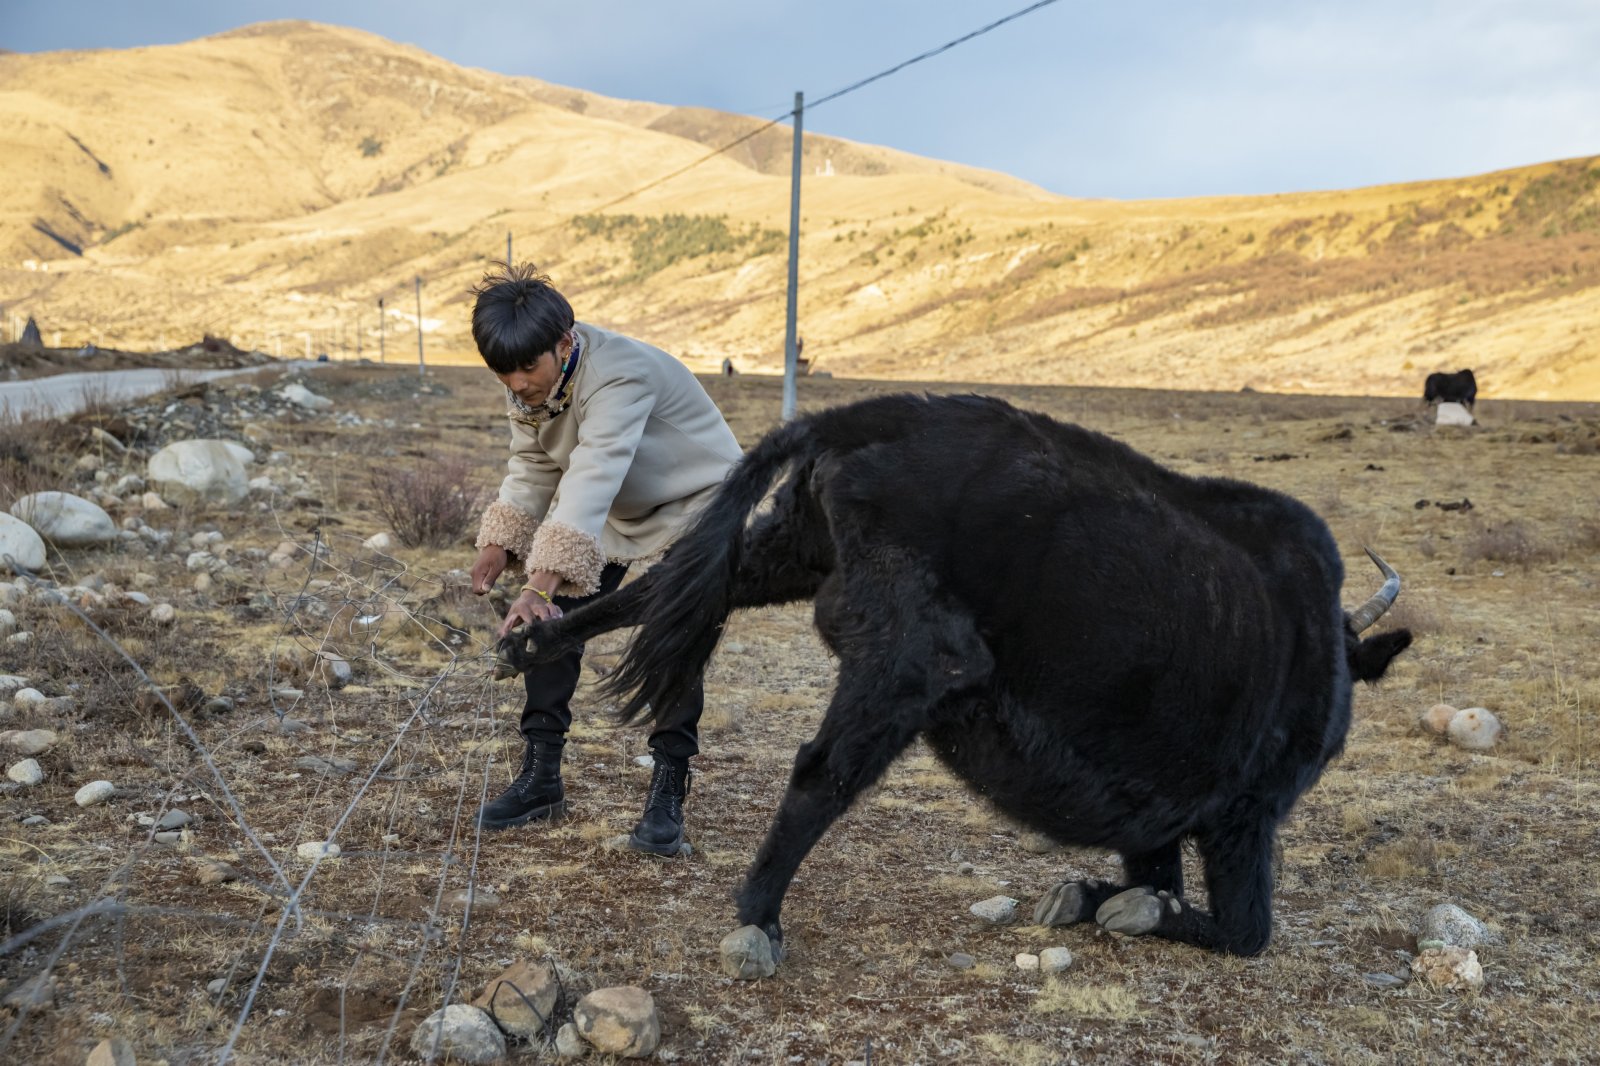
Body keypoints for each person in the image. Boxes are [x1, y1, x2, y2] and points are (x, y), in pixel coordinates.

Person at [468, 264, 743, 855]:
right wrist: (503, 538)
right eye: (503, 372)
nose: (515, 383)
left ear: (564, 344)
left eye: (525, 369)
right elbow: (536, 462)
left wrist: (537, 582)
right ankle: (541, 779)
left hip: (701, 503)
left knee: (675, 631)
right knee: (555, 624)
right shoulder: (531, 371)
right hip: (621, 509)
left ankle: (668, 792)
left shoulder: (621, 374)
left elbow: (592, 476)